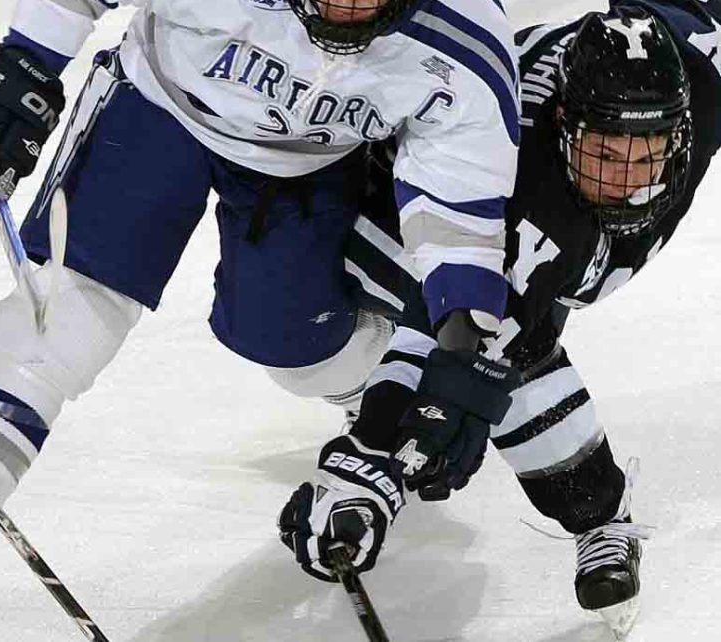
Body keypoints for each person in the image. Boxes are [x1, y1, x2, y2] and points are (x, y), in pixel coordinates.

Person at [0, 0, 524, 639]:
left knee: (300, 351)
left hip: (308, 165)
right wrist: (23, 66)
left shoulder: (462, 36)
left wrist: (453, 354)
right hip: (158, 107)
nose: (347, 7)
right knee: (62, 324)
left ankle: (367, 392)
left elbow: (460, 218)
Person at [278, 1, 719, 636]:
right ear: (566, 125)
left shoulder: (701, 84)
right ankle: (597, 513)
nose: (625, 180)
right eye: (604, 152)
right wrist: (374, 462)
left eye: (645, 156)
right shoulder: (524, 166)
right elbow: (468, 344)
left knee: (510, 330)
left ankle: (593, 511)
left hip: (543, 230)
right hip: (408, 210)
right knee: (494, 336)